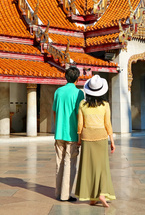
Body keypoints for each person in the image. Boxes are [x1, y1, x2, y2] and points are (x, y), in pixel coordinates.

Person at [75, 75, 116, 208]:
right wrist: (112, 141)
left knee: (88, 167)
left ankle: (92, 196)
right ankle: (101, 194)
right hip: (101, 137)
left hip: (87, 137)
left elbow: (80, 124)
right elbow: (108, 124)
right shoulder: (105, 105)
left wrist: (79, 140)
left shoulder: (82, 104)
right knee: (102, 167)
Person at [53, 66, 84, 202]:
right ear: (77, 79)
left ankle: (59, 192)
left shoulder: (58, 92)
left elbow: (54, 111)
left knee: (59, 162)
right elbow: (80, 115)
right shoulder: (79, 94)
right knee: (69, 163)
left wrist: (58, 126)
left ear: (65, 77)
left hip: (59, 133)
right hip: (72, 134)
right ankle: (65, 195)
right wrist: (80, 136)